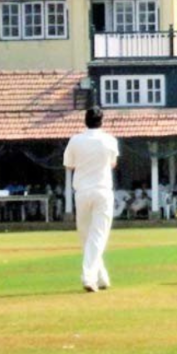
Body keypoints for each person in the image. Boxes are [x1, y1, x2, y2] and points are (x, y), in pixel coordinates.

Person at [62, 107, 120, 292]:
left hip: (82, 192)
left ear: (85, 120)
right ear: (101, 121)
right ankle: (90, 277)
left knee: (89, 237)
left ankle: (101, 278)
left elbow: (68, 165)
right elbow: (113, 163)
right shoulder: (109, 140)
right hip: (102, 190)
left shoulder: (75, 140)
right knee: (95, 237)